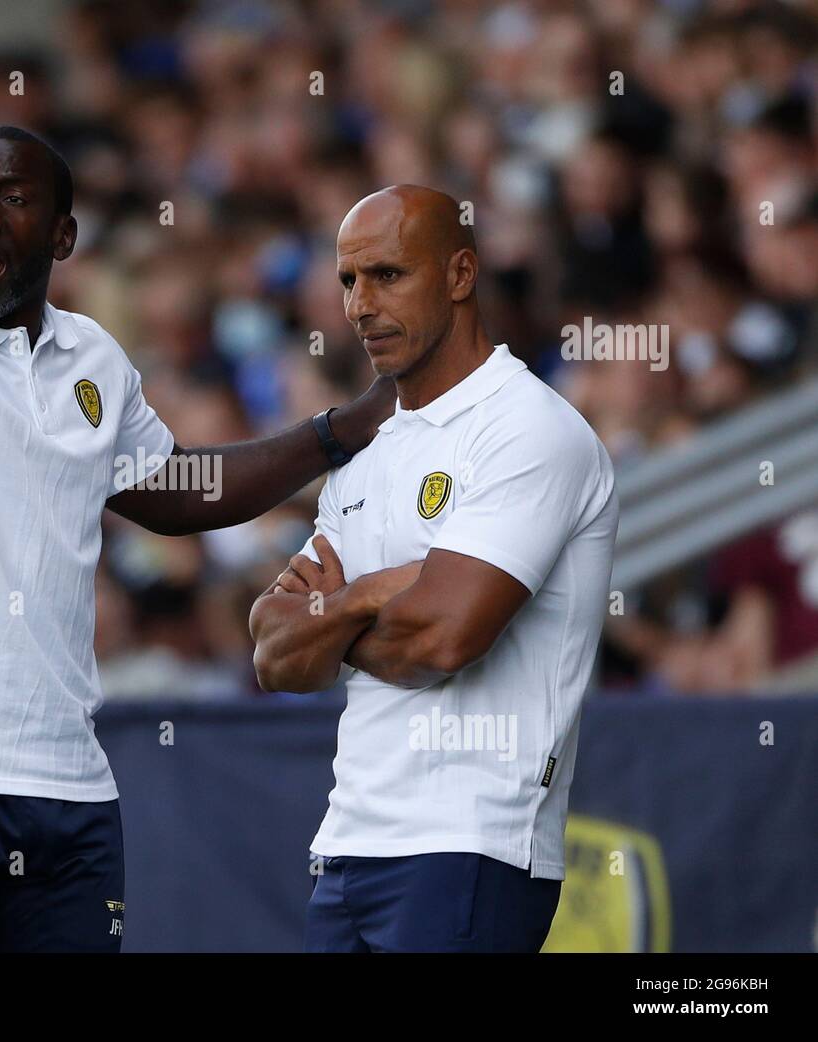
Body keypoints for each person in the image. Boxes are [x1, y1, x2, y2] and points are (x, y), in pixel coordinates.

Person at [0, 39, 392, 952]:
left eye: (13, 198)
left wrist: (335, 433)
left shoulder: (93, 361)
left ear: (65, 237)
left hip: (64, 786)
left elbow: (178, 493)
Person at [249, 185, 618, 953]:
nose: (360, 305)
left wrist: (336, 611)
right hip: (348, 845)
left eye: (388, 274)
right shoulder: (366, 453)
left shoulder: (530, 429)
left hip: (472, 843)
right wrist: (379, 592)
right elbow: (274, 656)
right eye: (349, 280)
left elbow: (443, 640)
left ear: (458, 275)